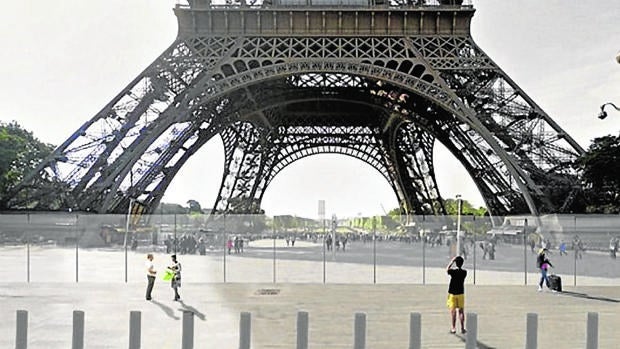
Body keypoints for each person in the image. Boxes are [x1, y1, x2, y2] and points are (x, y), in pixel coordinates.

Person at [446, 255, 467, 334]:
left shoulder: (453, 272)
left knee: (453, 311)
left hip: (452, 293)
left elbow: (447, 269)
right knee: (461, 311)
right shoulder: (464, 272)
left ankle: (453, 328)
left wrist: (452, 261)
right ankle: (462, 328)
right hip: (460, 293)